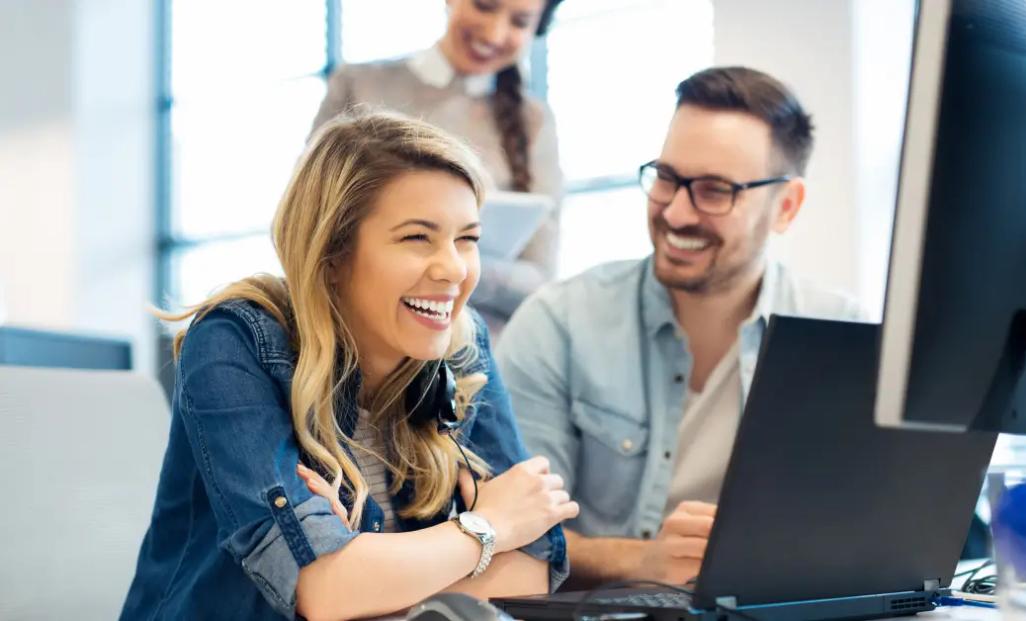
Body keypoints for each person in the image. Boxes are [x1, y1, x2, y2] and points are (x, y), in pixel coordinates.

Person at [121, 110, 577, 620]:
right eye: (417, 238)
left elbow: (531, 571)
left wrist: (365, 565)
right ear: (333, 253)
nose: (453, 268)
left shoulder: (460, 348)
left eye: (466, 239)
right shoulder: (234, 342)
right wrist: (488, 528)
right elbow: (325, 592)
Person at [495, 67, 859, 588]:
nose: (677, 212)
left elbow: (871, 536)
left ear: (785, 207)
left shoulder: (844, 336)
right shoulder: (558, 325)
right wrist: (641, 561)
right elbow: (512, 535)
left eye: (714, 191)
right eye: (667, 178)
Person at [313, 0, 565, 333]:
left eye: (519, 22)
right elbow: (309, 222)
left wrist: (440, 264)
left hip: (478, 354)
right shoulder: (359, 86)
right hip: (358, 337)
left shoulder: (535, 123)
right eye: (484, 6)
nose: (494, 33)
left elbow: (540, 277)